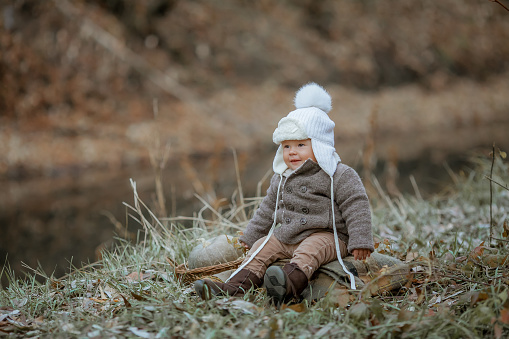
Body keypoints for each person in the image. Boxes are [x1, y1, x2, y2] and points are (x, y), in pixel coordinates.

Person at [194, 83, 374, 304]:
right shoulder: (282, 177)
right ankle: (233, 287)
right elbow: (267, 209)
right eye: (287, 146)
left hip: (328, 235)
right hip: (288, 234)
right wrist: (250, 237)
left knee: (310, 250)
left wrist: (360, 240)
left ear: (320, 145)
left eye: (300, 144)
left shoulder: (338, 174)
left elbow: (357, 206)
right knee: (262, 248)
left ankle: (287, 283)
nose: (292, 152)